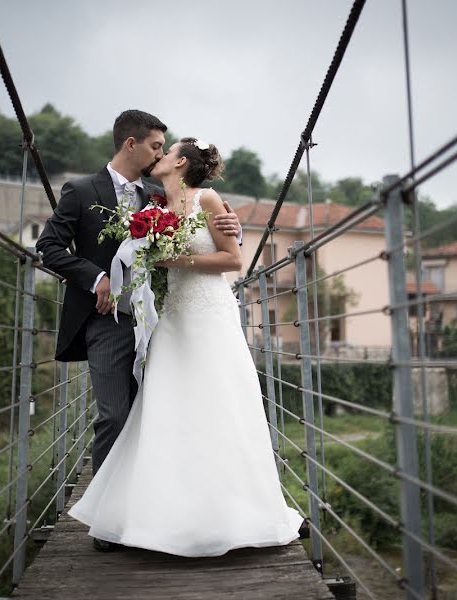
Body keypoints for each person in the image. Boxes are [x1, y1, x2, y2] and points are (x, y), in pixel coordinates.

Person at [67, 137, 303, 557]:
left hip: (208, 316)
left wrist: (173, 259)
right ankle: (164, 516)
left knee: (217, 407)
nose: (158, 156)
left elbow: (233, 260)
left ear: (179, 162)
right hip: (173, 318)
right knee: (169, 411)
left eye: (166, 149)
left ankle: (230, 514)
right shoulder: (155, 206)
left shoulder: (207, 198)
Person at [35, 111, 242, 551]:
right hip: (107, 320)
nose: (159, 154)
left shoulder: (160, 192)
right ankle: (109, 520)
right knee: (114, 415)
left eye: (163, 149)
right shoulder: (80, 191)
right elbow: (48, 247)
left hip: (160, 319)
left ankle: (162, 509)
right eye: (154, 146)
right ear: (131, 144)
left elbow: (199, 220)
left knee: (164, 414)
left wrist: (231, 223)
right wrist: (96, 278)